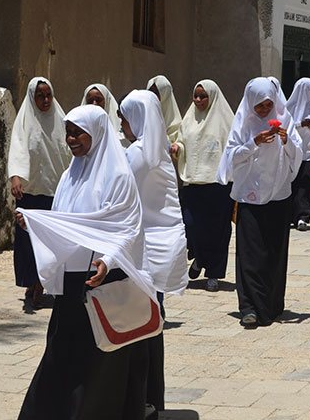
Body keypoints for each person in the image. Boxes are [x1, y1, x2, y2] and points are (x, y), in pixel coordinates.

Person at [16, 104, 153, 420]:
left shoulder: (118, 175)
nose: (72, 139)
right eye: (68, 132)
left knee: (98, 363)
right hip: (71, 283)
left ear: (98, 132)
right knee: (60, 357)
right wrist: (35, 223)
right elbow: (66, 222)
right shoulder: (69, 175)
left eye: (78, 132)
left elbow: (127, 225)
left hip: (102, 280)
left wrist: (107, 259)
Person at [118, 89, 189, 414]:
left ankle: (139, 400)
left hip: (141, 253)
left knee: (137, 329)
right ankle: (151, 398)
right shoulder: (158, 150)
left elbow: (116, 194)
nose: (121, 124)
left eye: (124, 117)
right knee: (151, 327)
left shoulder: (137, 154)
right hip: (156, 251)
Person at [217, 77, 303, 328]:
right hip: (250, 197)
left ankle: (273, 304)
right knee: (250, 254)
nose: (265, 111)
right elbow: (232, 157)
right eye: (259, 106)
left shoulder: (285, 120)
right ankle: (249, 307)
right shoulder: (243, 124)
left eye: (268, 105)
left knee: (275, 253)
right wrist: (253, 143)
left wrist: (286, 141)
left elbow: (298, 155)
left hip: (278, 196)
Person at [7, 77, 71, 313]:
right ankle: (33, 284)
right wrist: (16, 178)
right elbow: (18, 150)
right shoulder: (25, 122)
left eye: (48, 95)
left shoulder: (60, 122)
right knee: (28, 242)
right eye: (40, 96)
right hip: (30, 192)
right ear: (32, 98)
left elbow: (68, 154)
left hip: (55, 193)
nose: (45, 100)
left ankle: (41, 285)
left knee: (49, 243)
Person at [173, 80, 235, 292]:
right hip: (192, 182)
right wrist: (177, 147)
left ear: (212, 97)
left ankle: (213, 273)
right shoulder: (189, 118)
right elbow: (183, 140)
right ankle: (199, 258)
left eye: (203, 96)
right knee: (190, 227)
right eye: (196, 96)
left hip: (217, 185)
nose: (198, 100)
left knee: (217, 232)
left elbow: (232, 149)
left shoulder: (226, 121)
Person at [286, 77, 310, 231]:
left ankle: (303, 217)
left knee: (306, 184)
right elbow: (287, 127)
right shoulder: (289, 107)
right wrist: (301, 124)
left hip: (309, 152)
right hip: (293, 153)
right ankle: (289, 215)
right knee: (292, 184)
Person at [81, 82, 128, 147]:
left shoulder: (123, 132)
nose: (94, 103)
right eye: (90, 101)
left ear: (107, 101)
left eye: (98, 100)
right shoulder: (80, 131)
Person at [147, 75, 183, 144]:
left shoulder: (176, 126)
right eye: (150, 92)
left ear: (165, 95)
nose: (152, 96)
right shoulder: (143, 117)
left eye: (156, 93)